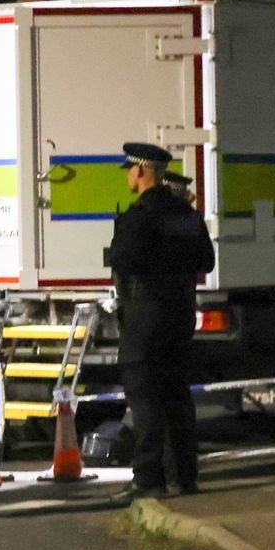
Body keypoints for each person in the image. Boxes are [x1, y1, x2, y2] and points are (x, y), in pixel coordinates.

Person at [108, 143, 214, 502]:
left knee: (145, 400)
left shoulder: (138, 217)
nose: (129, 175)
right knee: (178, 398)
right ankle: (185, 476)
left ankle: (148, 478)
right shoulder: (186, 216)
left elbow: (122, 261)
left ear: (140, 171)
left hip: (145, 320)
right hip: (179, 318)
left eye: (130, 169)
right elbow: (207, 260)